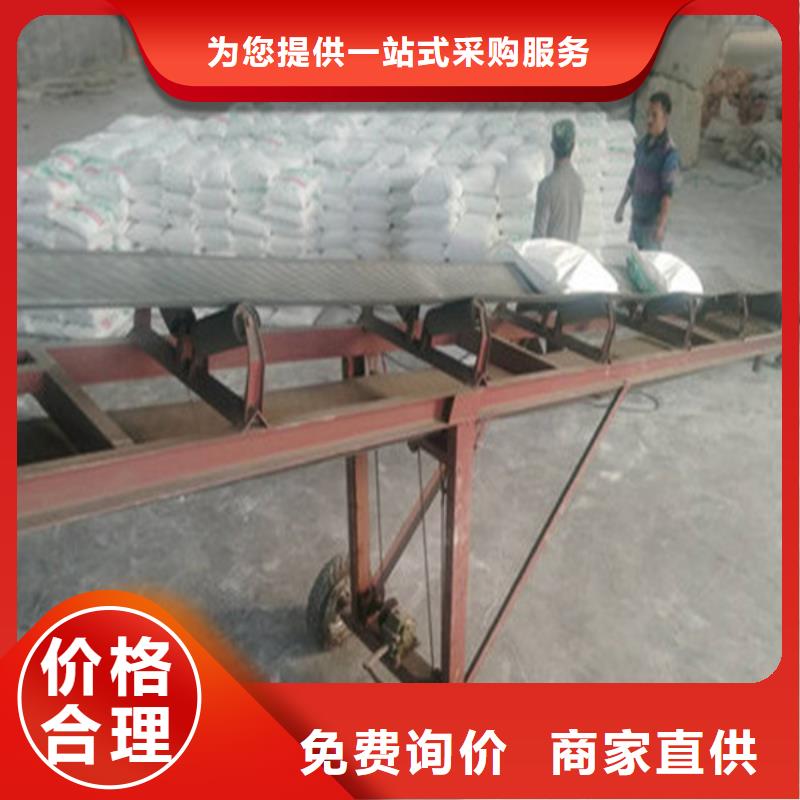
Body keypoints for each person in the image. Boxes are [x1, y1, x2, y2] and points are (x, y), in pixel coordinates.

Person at [615, 91, 680, 250]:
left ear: (665, 118)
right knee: (632, 260)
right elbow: (634, 177)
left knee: (648, 263)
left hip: (652, 226)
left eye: (654, 115)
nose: (649, 120)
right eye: (648, 115)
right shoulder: (643, 145)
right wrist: (622, 205)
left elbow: (667, 193)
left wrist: (661, 225)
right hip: (637, 221)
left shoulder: (668, 153)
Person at [532, 119, 585, 243]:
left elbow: (538, 236)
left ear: (552, 146)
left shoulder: (547, 186)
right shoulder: (579, 184)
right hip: (571, 252)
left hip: (551, 254)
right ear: (573, 146)